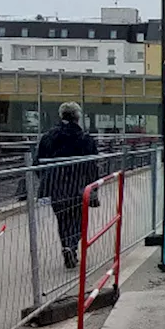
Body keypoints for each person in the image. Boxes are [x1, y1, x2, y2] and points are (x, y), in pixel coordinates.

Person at [35, 102, 100, 269]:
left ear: (61, 116)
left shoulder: (48, 137)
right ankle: (71, 246)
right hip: (78, 187)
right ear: (78, 117)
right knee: (77, 219)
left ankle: (66, 245)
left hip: (55, 187)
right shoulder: (85, 139)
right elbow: (93, 165)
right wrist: (94, 188)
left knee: (62, 219)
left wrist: (46, 180)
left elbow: (38, 163)